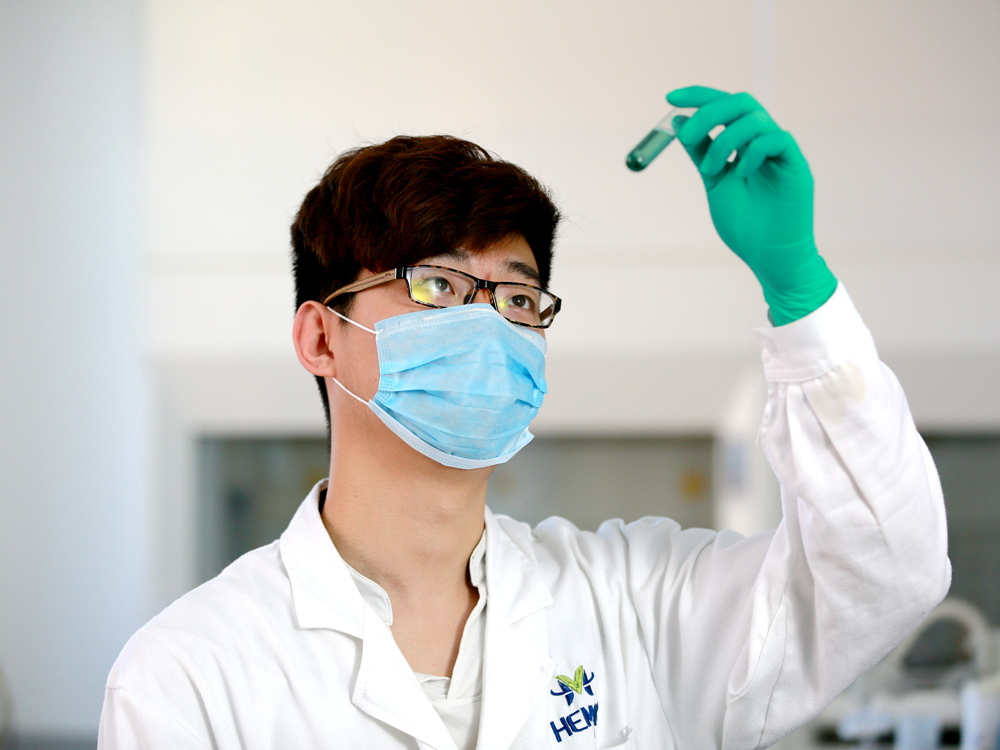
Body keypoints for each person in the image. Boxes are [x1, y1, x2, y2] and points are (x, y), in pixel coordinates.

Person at [98, 87, 951, 749]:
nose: (487, 324)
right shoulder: (190, 674)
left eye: (516, 297)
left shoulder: (633, 604)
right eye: (437, 284)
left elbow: (885, 573)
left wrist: (799, 289)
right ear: (321, 337)